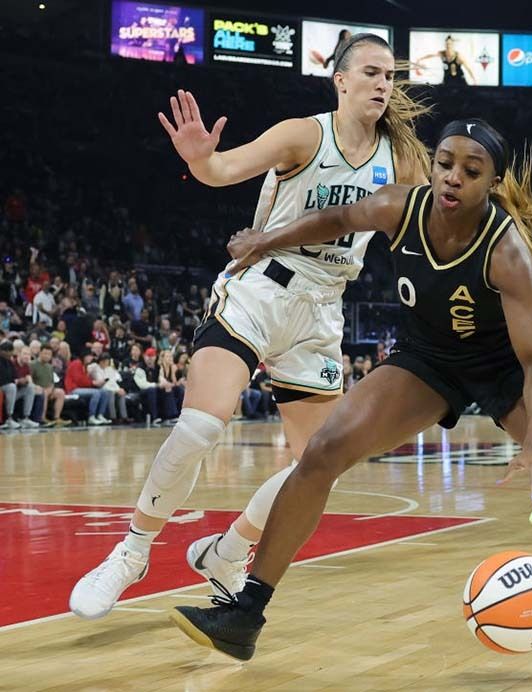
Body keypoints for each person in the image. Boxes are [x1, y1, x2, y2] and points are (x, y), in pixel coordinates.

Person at [170, 119, 532, 677]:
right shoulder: (401, 206)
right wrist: (265, 239)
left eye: (471, 170)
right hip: (428, 361)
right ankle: (246, 615)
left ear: (491, 182)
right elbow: (337, 217)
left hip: (505, 371)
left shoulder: (505, 250)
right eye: (445, 164)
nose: (452, 178)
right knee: (322, 451)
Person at [69, 33, 431, 620]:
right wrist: (199, 159)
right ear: (340, 80)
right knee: (198, 428)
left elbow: (419, 232)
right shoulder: (304, 134)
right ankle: (131, 554)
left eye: (390, 76)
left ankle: (228, 550)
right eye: (371, 73)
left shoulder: (403, 157)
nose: (383, 85)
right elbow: (222, 169)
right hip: (263, 286)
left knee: (315, 465)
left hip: (323, 307)